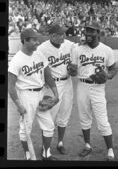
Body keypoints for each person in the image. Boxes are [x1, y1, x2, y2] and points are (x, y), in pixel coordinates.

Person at [8, 28, 59, 161]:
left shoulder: (39, 55)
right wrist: (18, 104)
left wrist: (55, 93)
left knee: (49, 126)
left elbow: (48, 75)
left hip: (40, 94)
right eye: (34, 39)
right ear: (25, 40)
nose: (38, 42)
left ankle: (46, 154)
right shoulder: (17, 60)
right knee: (25, 129)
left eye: (38, 39)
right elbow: (10, 85)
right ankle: (28, 156)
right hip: (26, 96)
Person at [71, 21, 117, 160]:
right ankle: (87, 146)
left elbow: (113, 69)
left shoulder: (107, 50)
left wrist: (107, 75)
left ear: (98, 33)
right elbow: (73, 71)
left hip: (98, 88)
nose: (88, 33)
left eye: (91, 31)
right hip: (82, 86)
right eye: (86, 30)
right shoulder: (77, 50)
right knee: (84, 118)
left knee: (102, 120)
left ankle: (110, 150)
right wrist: (72, 70)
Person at [38, 23, 77, 155]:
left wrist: (73, 67)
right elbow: (38, 67)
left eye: (64, 33)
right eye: (61, 34)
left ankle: (60, 142)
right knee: (48, 118)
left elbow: (80, 48)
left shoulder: (68, 44)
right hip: (52, 86)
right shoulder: (42, 49)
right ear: (52, 36)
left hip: (68, 84)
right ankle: (45, 147)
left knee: (64, 115)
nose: (64, 36)